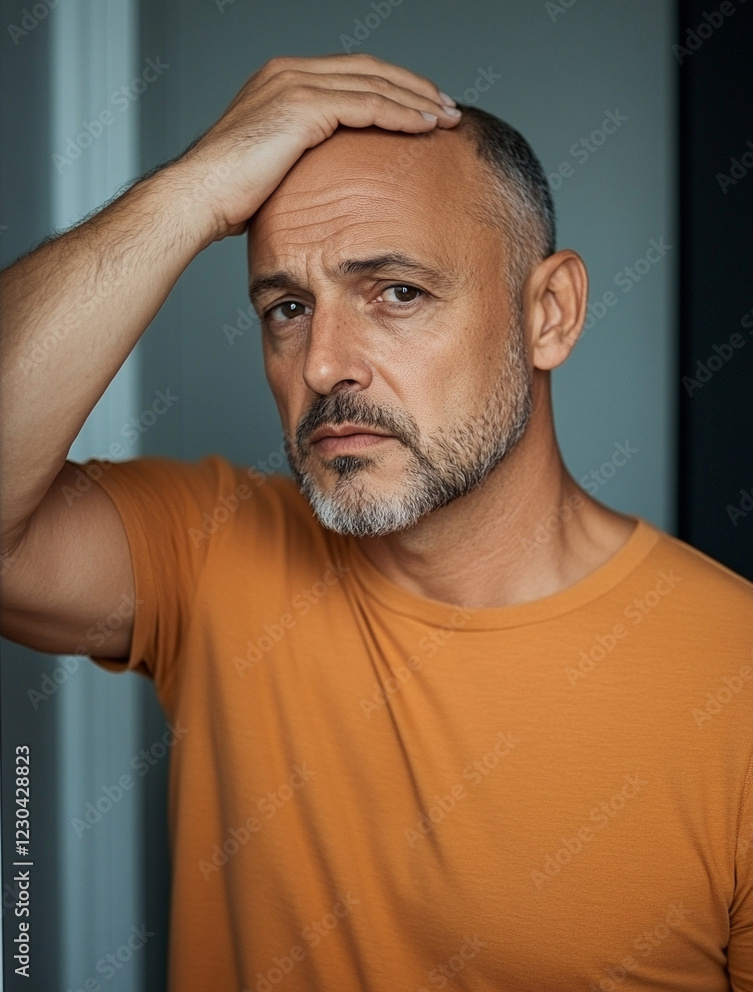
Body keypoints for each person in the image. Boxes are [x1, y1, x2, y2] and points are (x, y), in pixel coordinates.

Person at [1, 53, 751, 992]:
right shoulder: (211, 553)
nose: (322, 365)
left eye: (397, 292)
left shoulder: (734, 679)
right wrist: (191, 190)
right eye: (287, 307)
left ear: (549, 314)